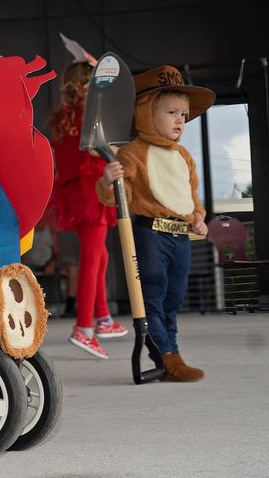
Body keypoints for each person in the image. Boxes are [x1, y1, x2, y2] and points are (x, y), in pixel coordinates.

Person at [97, 65, 213, 382]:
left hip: (181, 238)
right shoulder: (133, 154)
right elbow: (119, 198)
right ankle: (167, 357)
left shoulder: (184, 156)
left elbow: (190, 195)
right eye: (172, 112)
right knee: (152, 296)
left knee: (172, 300)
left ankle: (169, 351)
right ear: (147, 113)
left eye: (184, 115)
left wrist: (199, 218)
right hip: (152, 235)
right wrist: (108, 182)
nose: (180, 120)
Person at [50, 61, 128, 359]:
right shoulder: (90, 114)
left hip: (74, 190)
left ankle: (104, 318)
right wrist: (119, 149)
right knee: (92, 260)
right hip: (91, 188)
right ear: (89, 87)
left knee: (100, 255)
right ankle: (84, 327)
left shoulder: (63, 117)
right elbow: (99, 149)